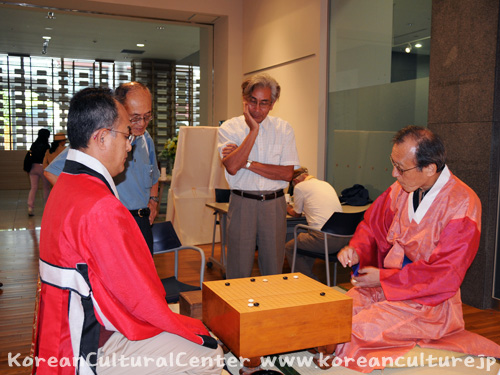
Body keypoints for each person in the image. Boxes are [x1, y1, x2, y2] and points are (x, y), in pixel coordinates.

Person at [36, 87, 224, 375]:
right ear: (100, 138)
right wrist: (185, 327)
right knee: (208, 351)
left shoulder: (67, 187)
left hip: (59, 335)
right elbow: (138, 299)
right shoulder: (99, 206)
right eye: (126, 135)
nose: (129, 146)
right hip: (88, 347)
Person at [311, 125, 500, 372]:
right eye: (393, 164)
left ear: (430, 167)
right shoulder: (400, 189)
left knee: (354, 332)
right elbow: (372, 226)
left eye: (400, 168)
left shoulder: (463, 203)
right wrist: (356, 249)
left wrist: (385, 278)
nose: (393, 173)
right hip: (383, 286)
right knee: (332, 318)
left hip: (427, 304)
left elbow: (445, 274)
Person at [44, 82, 160, 255]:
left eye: (147, 116)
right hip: (116, 221)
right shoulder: (99, 142)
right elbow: (52, 172)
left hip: (143, 221)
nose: (142, 123)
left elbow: (153, 174)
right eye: (135, 117)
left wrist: (153, 200)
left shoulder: (145, 139)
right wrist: (89, 204)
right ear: (119, 110)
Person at [218, 73, 300, 279]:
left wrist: (247, 162)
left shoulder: (284, 129)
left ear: (272, 104)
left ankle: (269, 311)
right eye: (252, 102)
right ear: (245, 100)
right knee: (238, 269)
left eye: (264, 103)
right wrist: (253, 130)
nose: (257, 109)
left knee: (273, 269)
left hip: (274, 204)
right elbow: (232, 167)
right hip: (242, 202)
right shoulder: (229, 128)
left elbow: (287, 173)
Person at [284, 167, 344, 280]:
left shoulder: (299, 187)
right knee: (305, 240)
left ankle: (308, 280)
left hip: (325, 240)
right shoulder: (325, 184)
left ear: (295, 181)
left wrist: (286, 207)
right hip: (342, 239)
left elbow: (296, 213)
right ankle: (305, 277)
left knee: (290, 247)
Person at [27, 128, 51, 216]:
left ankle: (30, 207)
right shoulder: (46, 146)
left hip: (33, 167)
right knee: (46, 188)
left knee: (33, 188)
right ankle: (46, 208)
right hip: (43, 167)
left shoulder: (34, 145)